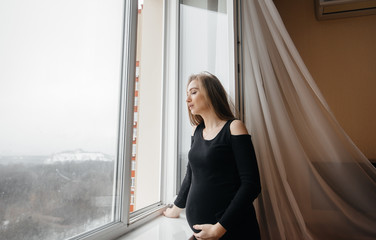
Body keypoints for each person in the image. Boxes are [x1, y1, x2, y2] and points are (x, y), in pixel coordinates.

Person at [163, 72, 261, 240]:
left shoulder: (234, 128)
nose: (187, 100)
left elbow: (251, 185)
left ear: (210, 93)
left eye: (193, 92)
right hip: (203, 234)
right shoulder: (197, 131)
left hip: (233, 230)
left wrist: (218, 229)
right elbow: (191, 175)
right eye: (187, 94)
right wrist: (175, 209)